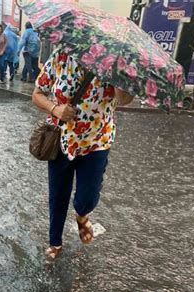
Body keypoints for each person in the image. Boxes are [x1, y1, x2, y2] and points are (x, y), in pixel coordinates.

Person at [31, 49, 134, 259]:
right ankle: (55, 242)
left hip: (97, 141)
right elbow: (37, 94)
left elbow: (123, 99)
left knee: (88, 195)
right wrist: (55, 109)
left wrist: (118, 74)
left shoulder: (115, 62)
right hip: (62, 139)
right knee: (58, 194)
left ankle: (82, 215)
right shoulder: (61, 56)